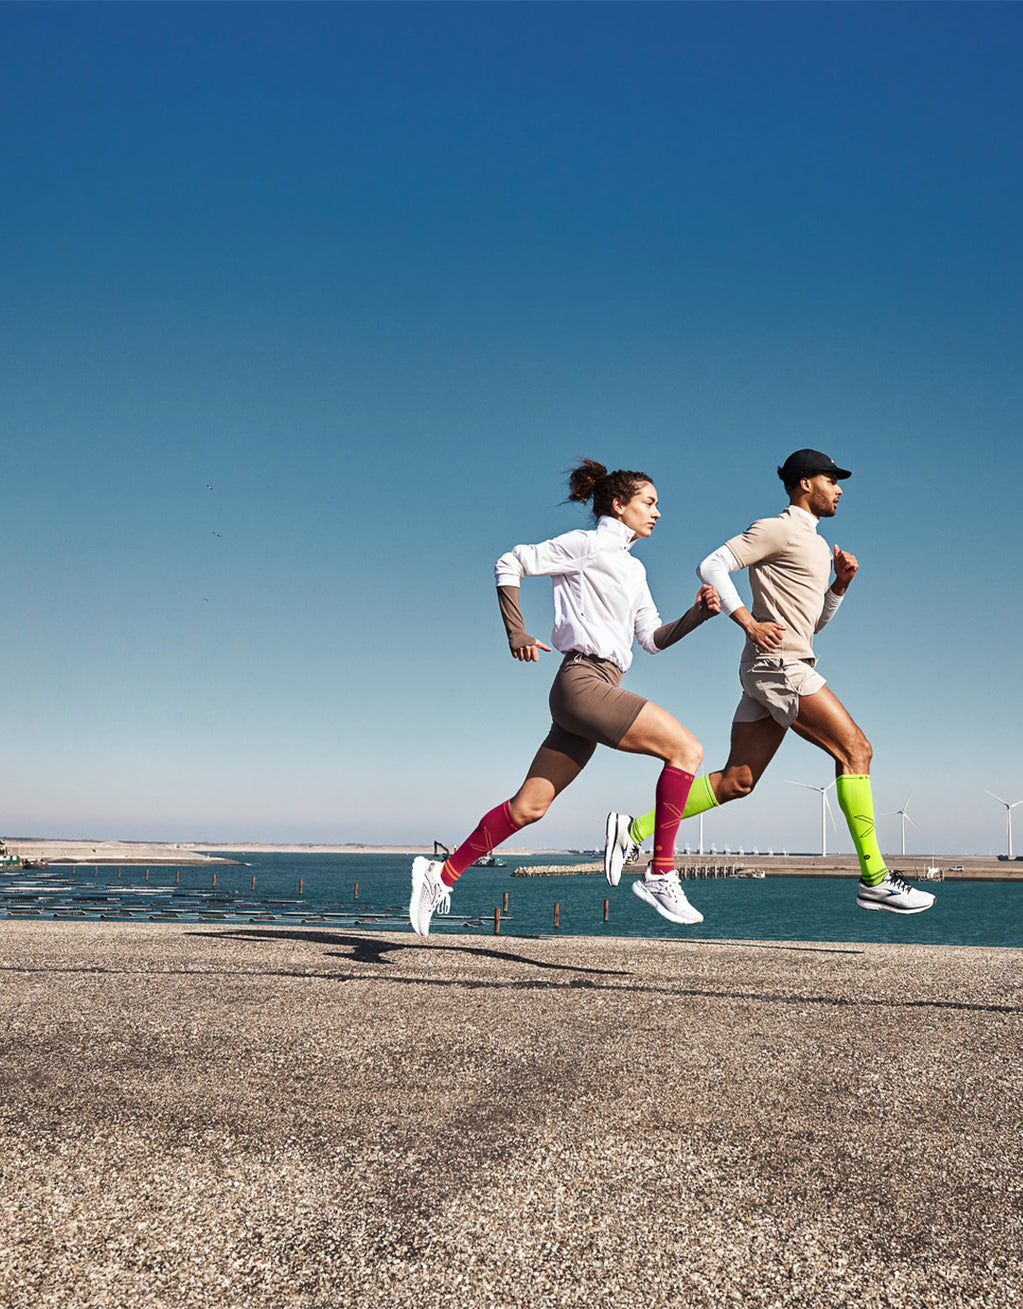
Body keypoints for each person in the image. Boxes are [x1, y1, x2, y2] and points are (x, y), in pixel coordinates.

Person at [604, 448, 935, 916]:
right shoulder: (776, 527)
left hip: (780, 660)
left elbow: (811, 624)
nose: (839, 489)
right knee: (856, 750)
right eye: (831, 480)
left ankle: (633, 830)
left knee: (739, 780)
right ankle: (876, 879)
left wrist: (839, 585)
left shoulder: (819, 546)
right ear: (805, 484)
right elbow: (712, 565)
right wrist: (746, 621)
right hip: (778, 664)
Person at [409, 459, 721, 937]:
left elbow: (653, 640)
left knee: (529, 807)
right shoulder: (586, 545)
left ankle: (441, 875)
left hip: (599, 687)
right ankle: (660, 871)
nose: (658, 513)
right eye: (649, 503)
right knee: (687, 749)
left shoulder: (634, 570)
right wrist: (517, 632)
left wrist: (697, 613)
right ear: (619, 505)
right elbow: (509, 562)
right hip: (582, 682)